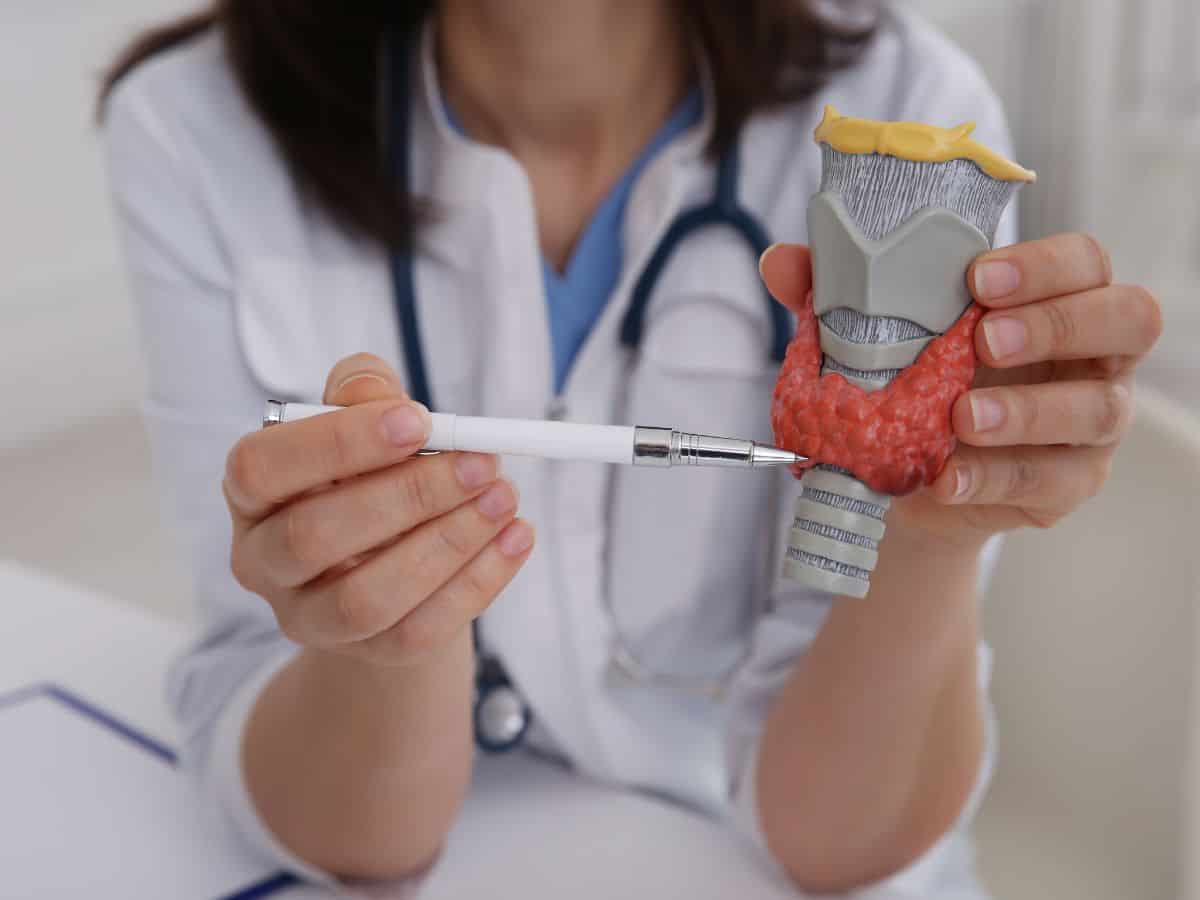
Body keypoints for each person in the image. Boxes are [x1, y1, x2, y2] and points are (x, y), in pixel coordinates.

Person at [99, 1, 1161, 896]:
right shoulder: (195, 131)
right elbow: (339, 823)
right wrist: (390, 625)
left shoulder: (914, 112)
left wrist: (929, 540)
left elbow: (834, 843)